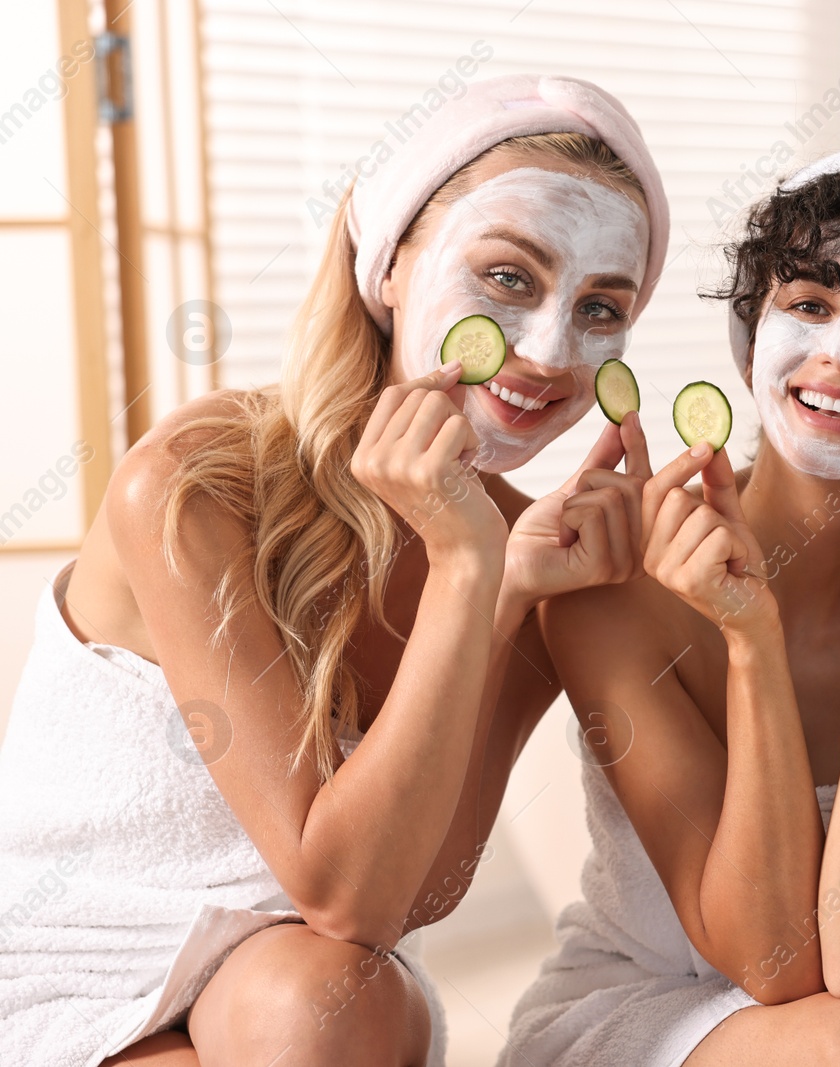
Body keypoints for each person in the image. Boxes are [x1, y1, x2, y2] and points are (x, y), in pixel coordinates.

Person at [0, 73, 669, 1067]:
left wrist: (493, 585)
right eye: (509, 278)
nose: (546, 350)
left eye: (601, 306)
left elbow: (401, 900)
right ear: (393, 264)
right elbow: (339, 890)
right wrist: (464, 568)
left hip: (300, 987)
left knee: (328, 994)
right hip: (73, 962)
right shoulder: (196, 483)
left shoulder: (522, 554)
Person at [499, 139, 840, 1067]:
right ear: (755, 342)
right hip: (646, 1018)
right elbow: (772, 958)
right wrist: (749, 638)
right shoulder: (619, 579)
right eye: (809, 303)